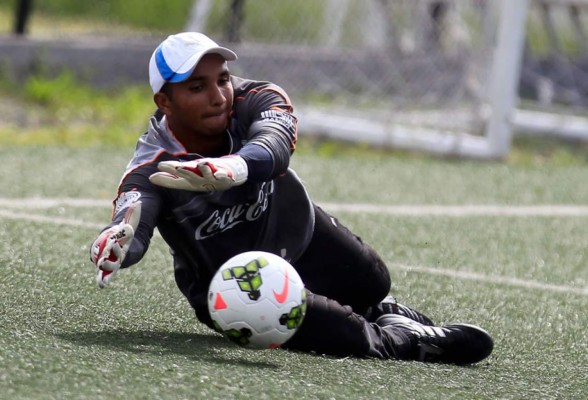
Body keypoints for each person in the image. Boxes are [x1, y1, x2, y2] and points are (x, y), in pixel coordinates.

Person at [90, 32, 493, 365]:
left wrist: (234, 167)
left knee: (375, 281)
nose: (218, 96)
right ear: (164, 102)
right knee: (351, 336)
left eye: (222, 79)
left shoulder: (256, 97)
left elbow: (275, 143)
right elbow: (132, 221)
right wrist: (118, 244)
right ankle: (408, 342)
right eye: (198, 87)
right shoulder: (153, 164)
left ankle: (382, 310)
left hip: (300, 234)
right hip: (239, 286)